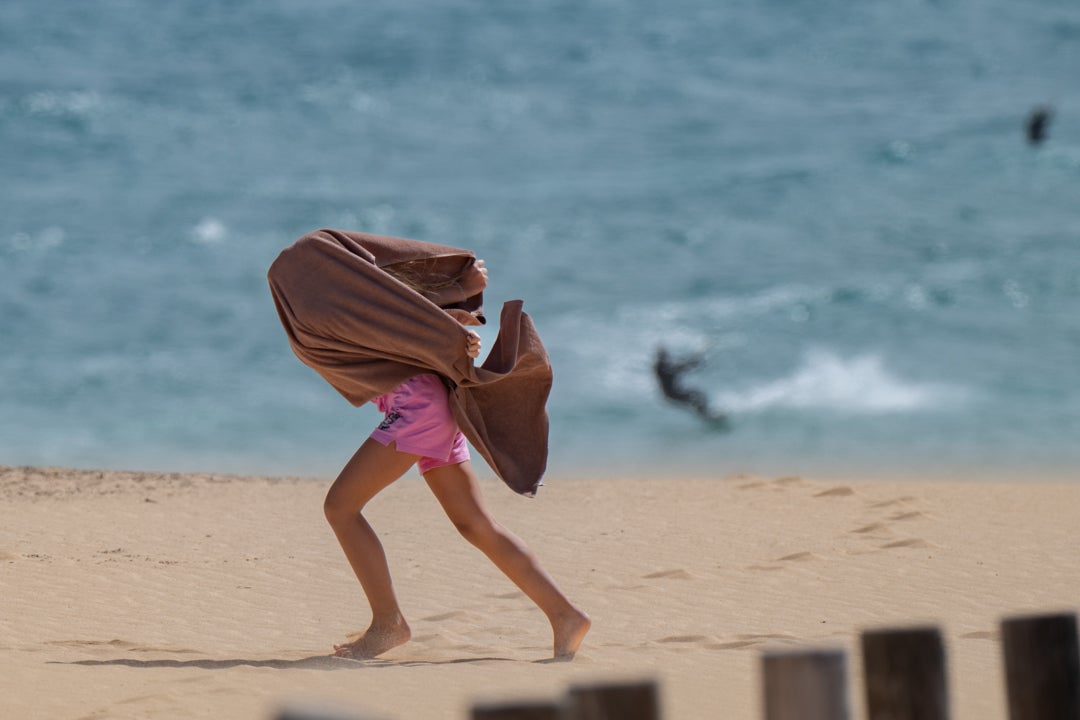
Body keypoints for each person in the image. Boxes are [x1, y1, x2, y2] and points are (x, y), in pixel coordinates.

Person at [318, 256, 590, 661]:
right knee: (475, 524)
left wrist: (460, 301)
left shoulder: (380, 309)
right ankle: (565, 615)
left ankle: (388, 623)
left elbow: (416, 323)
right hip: (437, 409)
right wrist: (458, 310)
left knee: (341, 507)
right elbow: (422, 327)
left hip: (419, 411)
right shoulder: (388, 311)